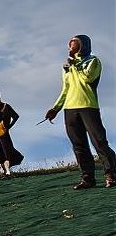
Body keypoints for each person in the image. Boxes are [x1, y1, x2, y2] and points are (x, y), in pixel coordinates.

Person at [43, 34, 116, 190]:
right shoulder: (67, 67)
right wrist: (55, 108)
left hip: (88, 106)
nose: (71, 47)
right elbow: (66, 89)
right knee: (79, 145)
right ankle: (87, 178)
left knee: (99, 142)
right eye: (70, 45)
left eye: (74, 44)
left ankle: (111, 175)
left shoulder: (93, 61)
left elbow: (88, 79)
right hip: (70, 108)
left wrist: (74, 65)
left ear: (83, 45)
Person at [0, 88, 23, 176]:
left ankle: (7, 171)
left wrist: (9, 126)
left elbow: (16, 116)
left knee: (7, 151)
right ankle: (4, 170)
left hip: (3, 132)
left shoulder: (6, 106)